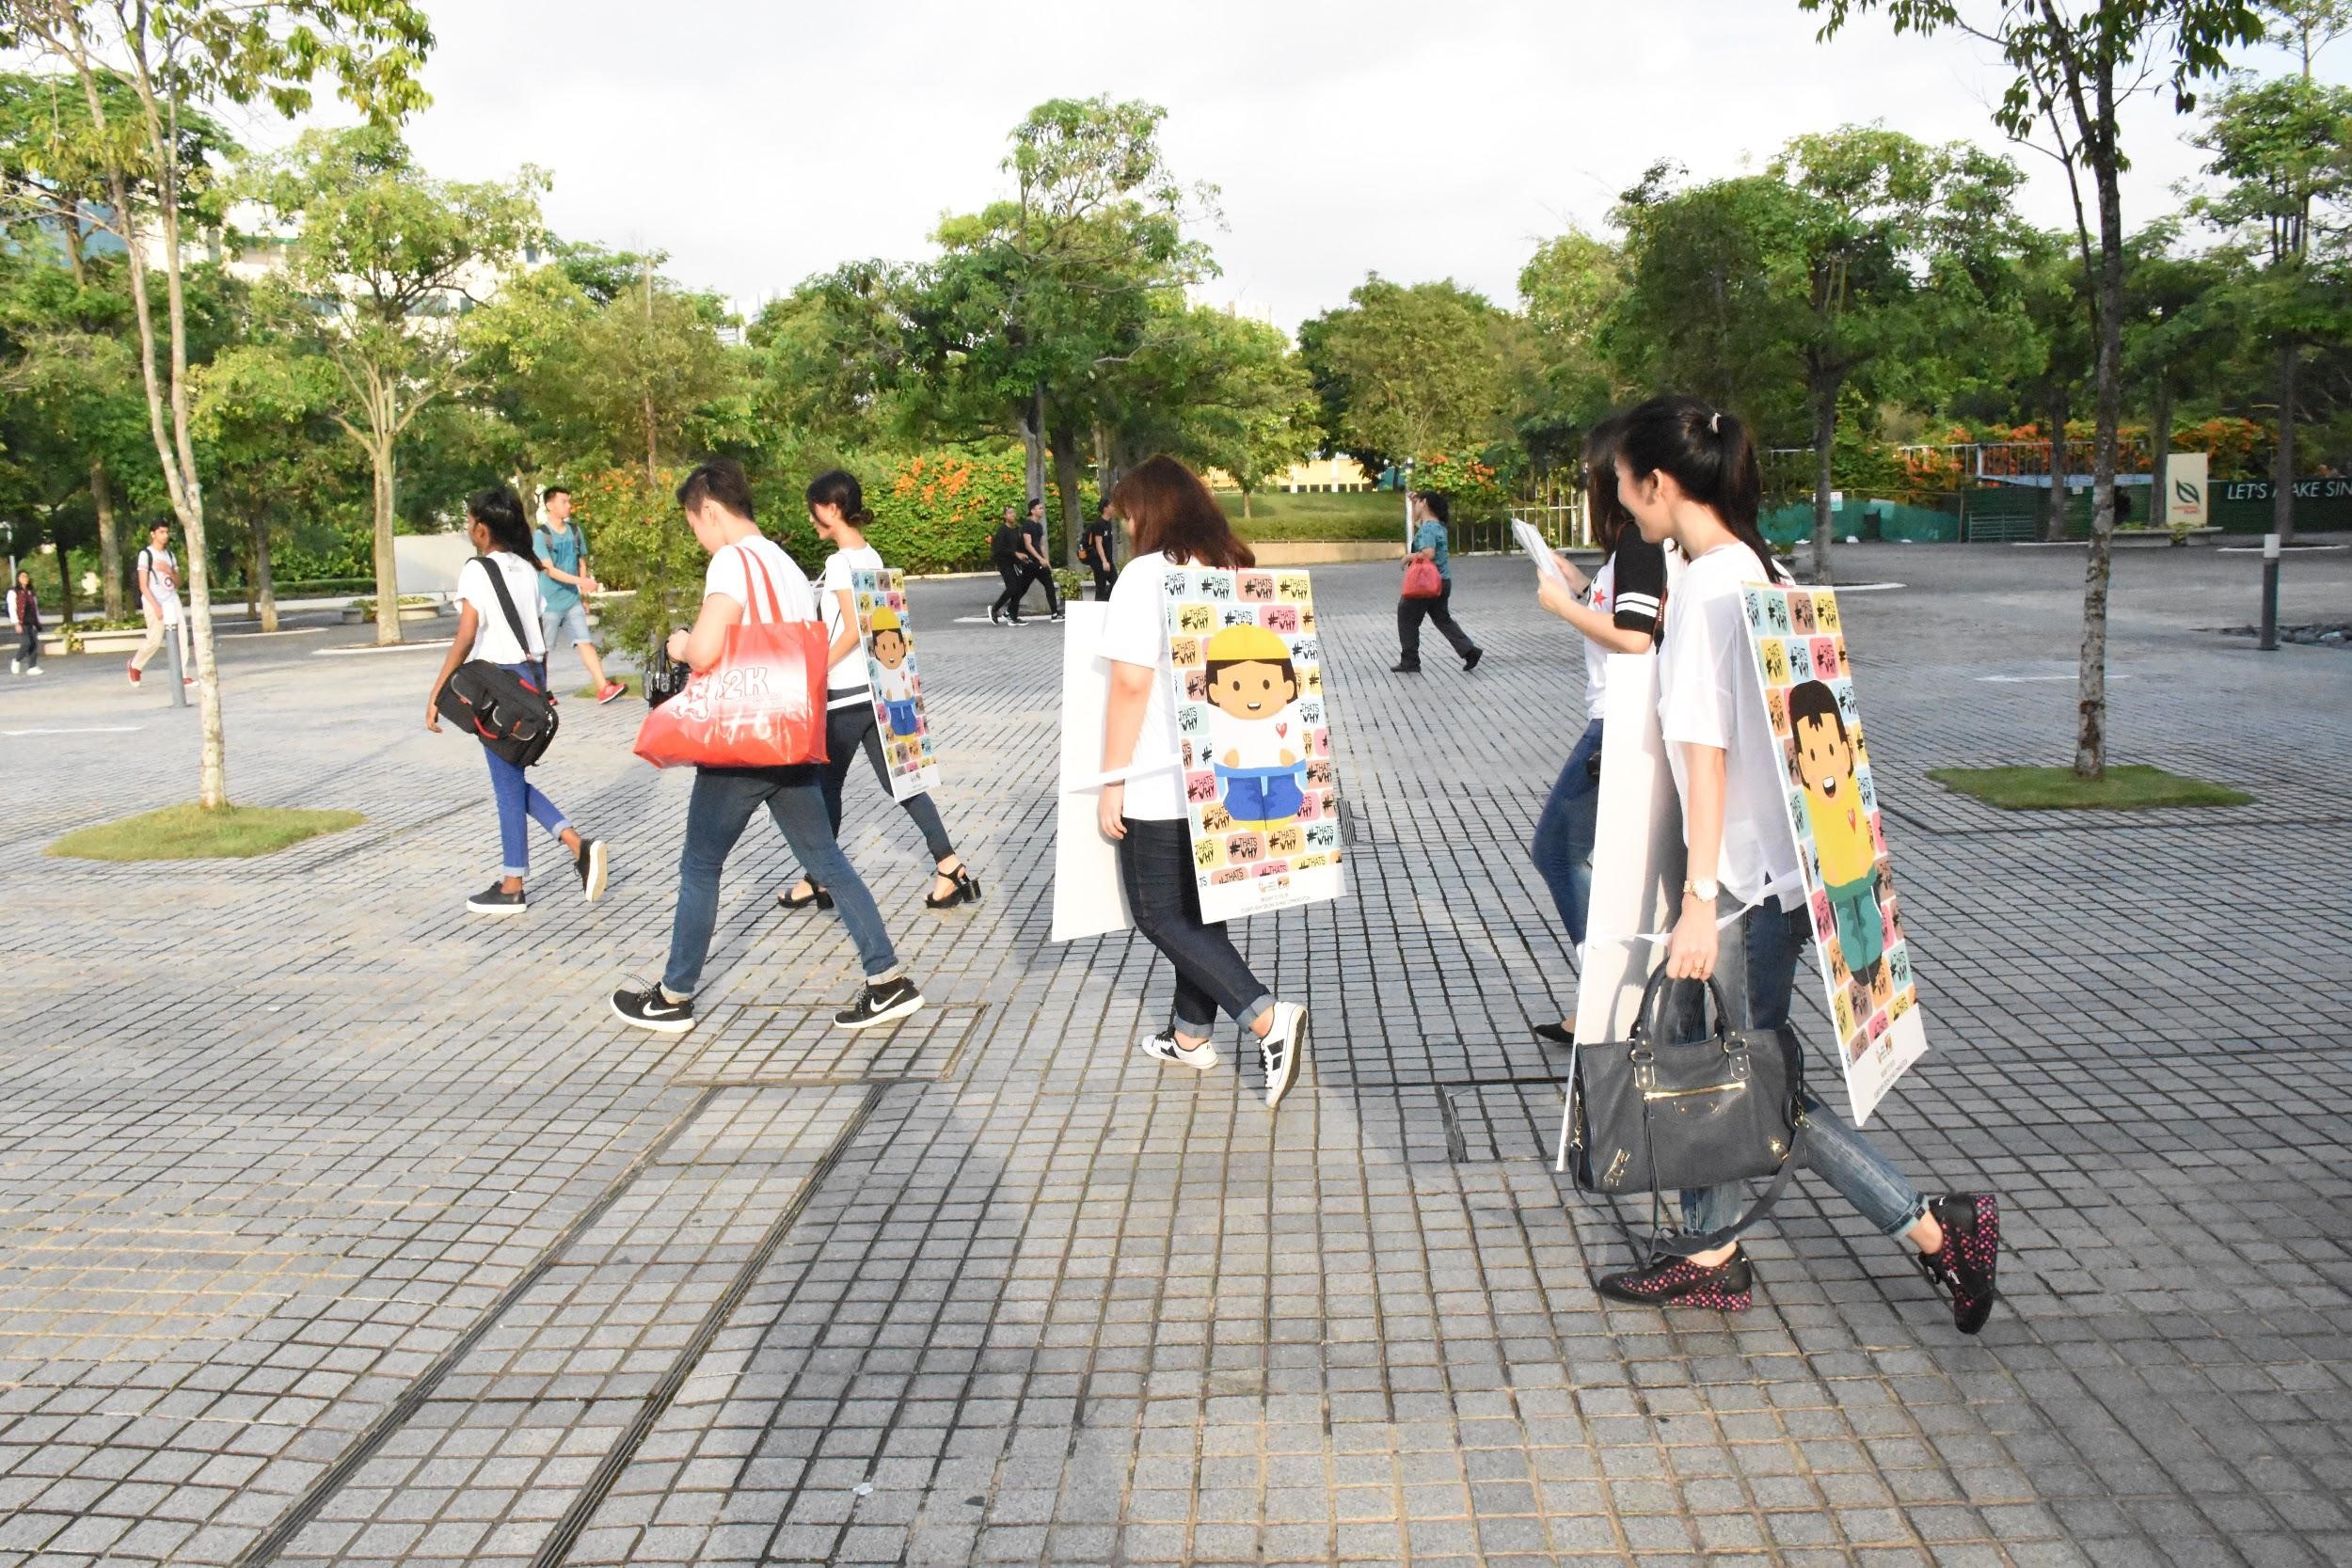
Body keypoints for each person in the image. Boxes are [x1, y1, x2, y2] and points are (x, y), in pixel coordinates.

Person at [1597, 394, 1998, 1335]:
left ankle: (1936, 1231)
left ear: (1659, 483)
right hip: (1781, 874)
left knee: (1756, 1084)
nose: (1620, 502)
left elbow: (1706, 755)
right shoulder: (1754, 566)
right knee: (1719, 1067)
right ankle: (1708, 1250)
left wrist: (1697, 900)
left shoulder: (1699, 588)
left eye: (1623, 484)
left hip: (1735, 884)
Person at [612, 458, 925, 1035]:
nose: (700, 539)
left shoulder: (732, 561)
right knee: (826, 858)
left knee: (701, 864)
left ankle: (675, 994)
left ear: (709, 509)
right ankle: (888, 980)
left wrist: (680, 644)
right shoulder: (784, 561)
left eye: (695, 525)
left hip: (743, 740)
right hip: (790, 732)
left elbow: (706, 651)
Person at [1096, 453, 1310, 1109]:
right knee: (1198, 910)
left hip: (1161, 775)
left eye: (1128, 512)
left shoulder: (1145, 574)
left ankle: (1268, 1017)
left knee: (1159, 913)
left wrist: (1112, 781)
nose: (1125, 525)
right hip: (1226, 774)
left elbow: (1131, 684)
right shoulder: (1234, 568)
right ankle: (1191, 1037)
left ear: (1149, 510)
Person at [1525, 417, 1674, 1046]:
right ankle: (1605, 997)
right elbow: (1628, 615)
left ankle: (1611, 995)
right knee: (1574, 852)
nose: (1604, 484)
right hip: (1618, 723)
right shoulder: (1630, 550)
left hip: (1620, 724)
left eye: (1606, 473)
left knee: (1558, 848)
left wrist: (1562, 606)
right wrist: (1581, 586)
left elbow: (1636, 639)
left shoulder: (1641, 543)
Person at [777, 468, 980, 914]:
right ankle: (949, 865)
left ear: (831, 509)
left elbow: (851, 630)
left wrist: (816, 667)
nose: (812, 519)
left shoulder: (838, 564)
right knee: (900, 783)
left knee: (824, 787)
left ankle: (820, 878)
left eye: (815, 510)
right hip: (879, 692)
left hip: (845, 694)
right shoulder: (871, 556)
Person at [424, 485, 610, 916]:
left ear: (484, 530)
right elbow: (535, 633)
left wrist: (437, 690)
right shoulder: (528, 571)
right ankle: (573, 846)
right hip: (528, 683)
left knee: (507, 788)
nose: (469, 527)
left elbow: (467, 634)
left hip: (497, 689)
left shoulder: (477, 569)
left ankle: (514, 884)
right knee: (512, 782)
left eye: (470, 521)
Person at [533, 486, 627, 705]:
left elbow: (581, 563)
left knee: (585, 642)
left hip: (572, 600)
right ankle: (539, 693)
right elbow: (549, 569)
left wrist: (584, 596)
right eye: (564, 501)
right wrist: (581, 583)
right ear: (550, 505)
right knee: (543, 650)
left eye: (569, 501)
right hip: (549, 603)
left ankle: (603, 687)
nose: (569, 506)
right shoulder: (541, 535)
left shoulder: (575, 531)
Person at [1392, 491, 1481, 673]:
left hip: (1425, 584)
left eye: (1417, 503)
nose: (1414, 507)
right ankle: (1469, 651)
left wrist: (1407, 557)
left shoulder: (1428, 529)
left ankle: (1410, 661)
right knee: (1442, 619)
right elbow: (1420, 524)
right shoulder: (1437, 526)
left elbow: (1428, 553)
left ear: (1424, 503)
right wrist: (1415, 500)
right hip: (1442, 581)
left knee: (1406, 615)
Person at [128, 522, 191, 688]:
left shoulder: (169, 555)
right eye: (161, 532)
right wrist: (156, 606)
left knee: (182, 636)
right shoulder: (146, 554)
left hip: (171, 598)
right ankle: (135, 665)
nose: (165, 535)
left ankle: (182, 675)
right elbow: (143, 585)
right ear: (153, 534)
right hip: (154, 599)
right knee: (154, 640)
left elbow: (178, 581)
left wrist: (169, 570)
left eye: (166, 532)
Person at [1018, 497, 1064, 621]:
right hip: (1031, 562)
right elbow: (1028, 544)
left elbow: (1041, 544)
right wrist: (1039, 558)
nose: (1042, 510)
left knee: (1049, 585)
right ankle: (1010, 611)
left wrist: (1045, 559)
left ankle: (1055, 613)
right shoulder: (1027, 525)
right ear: (1032, 511)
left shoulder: (1039, 526)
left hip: (1039, 562)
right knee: (1022, 588)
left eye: (1042, 508)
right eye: (1039, 508)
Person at [988, 505, 1029, 626]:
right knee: (1012, 588)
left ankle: (1013, 616)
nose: (1012, 515)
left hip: (1015, 563)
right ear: (1005, 516)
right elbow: (999, 549)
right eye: (1009, 513)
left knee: (1018, 589)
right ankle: (994, 609)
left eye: (1013, 513)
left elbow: (1019, 547)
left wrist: (1024, 556)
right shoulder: (1002, 531)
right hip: (1005, 564)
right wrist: (1015, 553)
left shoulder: (1016, 530)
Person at [8, 570, 42, 676]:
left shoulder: (30, 592)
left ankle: (32, 666)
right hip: (22, 622)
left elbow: (35, 608)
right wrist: (16, 623)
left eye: (26, 577)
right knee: (26, 643)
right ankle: (16, 660)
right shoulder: (13, 592)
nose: (25, 579)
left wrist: (38, 621)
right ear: (18, 578)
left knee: (34, 643)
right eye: (22, 577)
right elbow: (12, 608)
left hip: (31, 621)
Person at [1082, 502, 1119, 601]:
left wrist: (1108, 561)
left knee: (1117, 582)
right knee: (1100, 587)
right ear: (1105, 508)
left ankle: (1104, 602)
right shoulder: (1099, 524)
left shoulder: (1109, 524)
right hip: (1099, 561)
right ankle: (1100, 606)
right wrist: (1104, 561)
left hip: (1108, 560)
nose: (1114, 508)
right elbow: (1098, 544)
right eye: (1112, 506)